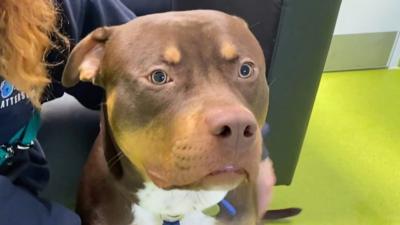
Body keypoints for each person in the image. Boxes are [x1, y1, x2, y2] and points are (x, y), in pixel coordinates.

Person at [0, 0, 275, 224]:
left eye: (245, 70)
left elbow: (134, 51)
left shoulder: (47, 7)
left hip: (23, 168)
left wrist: (247, 148)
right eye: (158, 77)